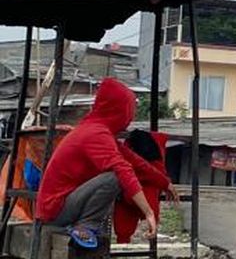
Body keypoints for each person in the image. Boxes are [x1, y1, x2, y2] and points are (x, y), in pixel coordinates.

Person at [35, 78, 170, 247]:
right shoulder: (96, 134)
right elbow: (123, 169)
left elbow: (134, 160)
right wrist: (149, 212)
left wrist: (164, 183)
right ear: (120, 111)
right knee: (115, 177)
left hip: (61, 204)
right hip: (56, 210)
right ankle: (86, 225)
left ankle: (86, 225)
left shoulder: (97, 130)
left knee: (118, 173)